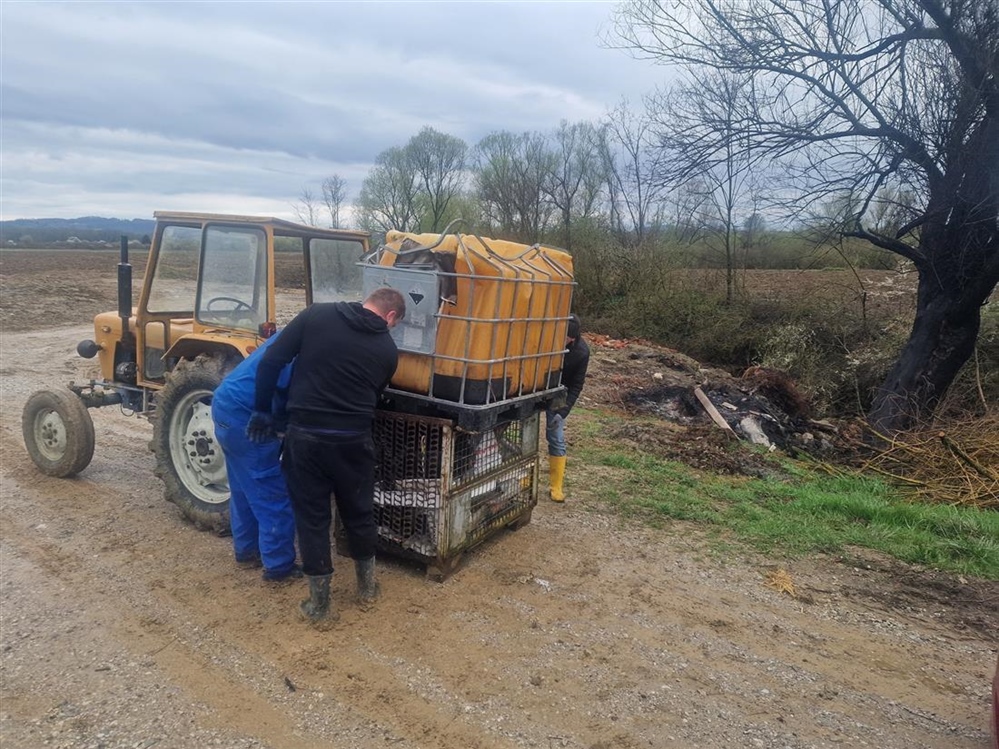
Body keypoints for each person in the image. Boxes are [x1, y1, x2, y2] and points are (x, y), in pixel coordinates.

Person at [249, 287, 405, 625]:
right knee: (360, 513)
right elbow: (373, 396)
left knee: (313, 519)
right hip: (354, 443)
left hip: (306, 440)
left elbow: (272, 361)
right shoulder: (388, 350)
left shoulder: (316, 314)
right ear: (391, 317)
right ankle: (367, 590)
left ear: (369, 300)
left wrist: (262, 411)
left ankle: (319, 607)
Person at [211, 334, 300, 583]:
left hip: (225, 404)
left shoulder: (291, 336)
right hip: (248, 417)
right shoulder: (309, 349)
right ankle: (279, 567)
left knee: (242, 487)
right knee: (272, 494)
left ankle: (247, 551)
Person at [547, 313, 590, 502]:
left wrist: (563, 411)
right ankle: (524, 476)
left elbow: (577, 385)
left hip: (559, 394)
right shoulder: (545, 340)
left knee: (556, 437)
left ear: (572, 338)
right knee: (524, 435)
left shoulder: (581, 352)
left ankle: (556, 487)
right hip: (536, 388)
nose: (559, 340)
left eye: (564, 338)